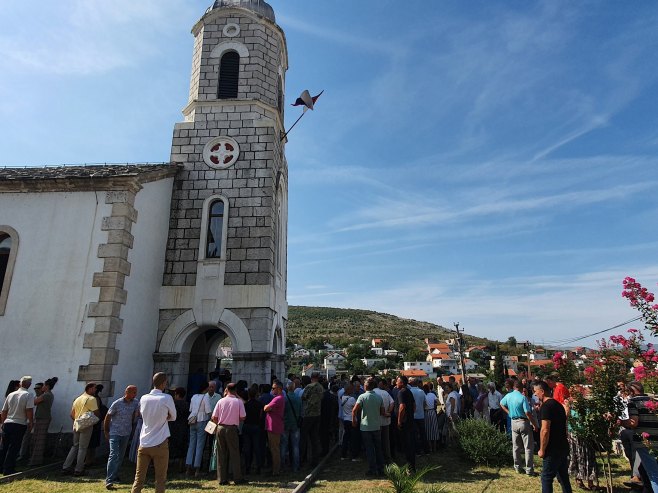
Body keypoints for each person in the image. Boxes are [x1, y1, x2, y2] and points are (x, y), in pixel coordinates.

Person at [131, 372, 176, 493]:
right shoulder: (167, 398)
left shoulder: (144, 398)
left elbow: (142, 414)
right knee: (160, 479)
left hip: (144, 442)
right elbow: (173, 417)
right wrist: (165, 416)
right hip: (160, 443)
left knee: (139, 478)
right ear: (164, 383)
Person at [618, 381, 658, 492]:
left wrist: (621, 422)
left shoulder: (633, 402)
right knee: (645, 469)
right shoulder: (653, 402)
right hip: (656, 439)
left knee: (654, 474)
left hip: (644, 442)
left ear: (631, 391)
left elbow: (633, 422)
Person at [534, 380, 572, 493]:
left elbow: (545, 430)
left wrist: (542, 449)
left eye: (536, 392)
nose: (535, 394)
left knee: (546, 478)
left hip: (552, 449)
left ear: (542, 391)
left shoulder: (546, 407)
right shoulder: (558, 405)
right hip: (562, 446)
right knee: (563, 477)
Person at [104, 385, 139, 490]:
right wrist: (106, 431)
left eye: (135, 392)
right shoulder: (117, 403)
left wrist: (132, 425)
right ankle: (109, 480)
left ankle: (115, 475)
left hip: (126, 432)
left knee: (121, 455)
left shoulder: (135, 402)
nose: (135, 394)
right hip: (115, 432)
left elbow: (135, 414)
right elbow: (108, 416)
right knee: (113, 454)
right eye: (133, 392)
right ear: (127, 392)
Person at [500, 380, 538, 476]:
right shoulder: (523, 397)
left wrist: (509, 412)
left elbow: (501, 403)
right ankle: (529, 469)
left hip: (513, 421)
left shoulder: (508, 396)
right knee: (528, 447)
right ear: (521, 388)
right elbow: (527, 412)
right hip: (523, 422)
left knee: (516, 446)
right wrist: (534, 424)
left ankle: (517, 467)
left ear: (513, 387)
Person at [211, 382, 246, 485]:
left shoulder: (220, 401)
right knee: (234, 453)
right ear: (236, 391)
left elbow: (214, 417)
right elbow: (243, 417)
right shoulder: (238, 401)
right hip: (232, 428)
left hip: (220, 427)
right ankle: (237, 478)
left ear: (226, 389)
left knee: (221, 453)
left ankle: (222, 479)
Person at [62, 382, 99, 477]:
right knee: (83, 448)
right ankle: (78, 469)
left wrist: (78, 421)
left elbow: (72, 414)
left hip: (76, 424)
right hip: (86, 425)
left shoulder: (77, 399)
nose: (95, 390)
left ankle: (66, 467)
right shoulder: (91, 399)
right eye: (94, 388)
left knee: (75, 446)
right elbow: (97, 413)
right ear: (90, 388)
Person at [0, 376, 34, 475]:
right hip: (19, 423)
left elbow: (4, 410)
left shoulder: (11, 394)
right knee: (14, 447)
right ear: (29, 384)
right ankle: (8, 468)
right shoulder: (28, 395)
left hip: (8, 422)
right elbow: (29, 410)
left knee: (4, 446)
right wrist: (31, 422)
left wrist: (2, 422)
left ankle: (1, 466)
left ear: (20, 383)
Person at [353, 377, 385, 477]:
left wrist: (354, 420)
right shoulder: (379, 397)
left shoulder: (362, 397)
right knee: (378, 448)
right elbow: (382, 412)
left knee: (369, 449)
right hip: (376, 426)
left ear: (366, 386)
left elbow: (354, 410)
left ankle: (372, 469)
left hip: (365, 427)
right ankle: (381, 469)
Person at [28, 377, 56, 467]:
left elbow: (34, 402)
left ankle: (36, 460)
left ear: (47, 386)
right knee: (37, 439)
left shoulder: (46, 395)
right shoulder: (48, 394)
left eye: (43, 385)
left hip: (43, 418)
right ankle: (34, 459)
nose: (42, 387)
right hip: (42, 417)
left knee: (39, 440)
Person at [185, 381, 211, 477]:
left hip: (192, 420)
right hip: (202, 420)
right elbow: (208, 411)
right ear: (206, 388)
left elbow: (191, 409)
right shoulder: (206, 397)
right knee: (200, 445)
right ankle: (197, 469)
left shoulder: (194, 396)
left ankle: (188, 468)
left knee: (191, 444)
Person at [301, 372, 323, 467]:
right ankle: (315, 460)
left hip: (308, 414)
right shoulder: (321, 387)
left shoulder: (309, 387)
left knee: (304, 438)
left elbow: (303, 397)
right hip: (317, 414)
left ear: (311, 378)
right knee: (314, 438)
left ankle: (302, 459)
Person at [264, 380, 285, 476]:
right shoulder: (278, 398)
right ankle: (275, 468)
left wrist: (266, 406)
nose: (272, 390)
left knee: (274, 449)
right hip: (274, 425)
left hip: (274, 426)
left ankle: (276, 470)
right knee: (274, 448)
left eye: (273, 388)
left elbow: (266, 408)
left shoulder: (277, 399)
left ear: (279, 389)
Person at [396, 376, 416, 472]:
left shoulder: (401, 392)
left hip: (405, 422)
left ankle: (409, 468)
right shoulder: (409, 391)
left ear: (402, 383)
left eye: (397, 381)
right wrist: (410, 413)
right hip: (411, 421)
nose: (396, 383)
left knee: (406, 445)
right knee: (411, 444)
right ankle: (412, 466)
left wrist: (399, 420)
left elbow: (402, 407)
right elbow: (414, 405)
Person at [242, 386, 263, 475]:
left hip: (247, 426)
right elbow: (261, 416)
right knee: (257, 447)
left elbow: (243, 416)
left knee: (247, 447)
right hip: (256, 426)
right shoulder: (259, 404)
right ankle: (258, 467)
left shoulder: (245, 405)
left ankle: (247, 467)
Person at [281, 381, 301, 472]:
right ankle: (296, 467)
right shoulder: (298, 398)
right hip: (295, 424)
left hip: (285, 423)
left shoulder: (284, 399)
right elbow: (301, 411)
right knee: (295, 446)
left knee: (284, 445)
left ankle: (282, 466)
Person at [168, 388, 189, 474]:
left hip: (172, 427)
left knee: (170, 447)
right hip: (183, 427)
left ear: (176, 394)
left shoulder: (173, 403)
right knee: (182, 448)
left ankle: (167, 466)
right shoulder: (186, 404)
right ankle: (181, 467)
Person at [375, 379, 395, 462]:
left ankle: (379, 458)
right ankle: (388, 457)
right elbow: (392, 403)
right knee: (386, 441)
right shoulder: (386, 393)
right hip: (386, 420)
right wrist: (389, 412)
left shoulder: (373, 393)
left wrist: (383, 413)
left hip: (376, 421)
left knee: (377, 441)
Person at [409, 378, 429, 456]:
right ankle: (426, 450)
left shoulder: (410, 391)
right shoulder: (421, 391)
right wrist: (422, 410)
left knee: (415, 435)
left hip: (413, 416)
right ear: (417, 383)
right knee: (423, 433)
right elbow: (424, 403)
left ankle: (418, 451)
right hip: (421, 415)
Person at [422, 383, 439, 452]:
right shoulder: (432, 394)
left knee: (428, 430)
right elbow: (438, 402)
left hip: (426, 412)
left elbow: (423, 404)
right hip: (433, 412)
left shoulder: (423, 395)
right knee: (434, 429)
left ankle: (430, 448)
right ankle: (434, 448)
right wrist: (434, 405)